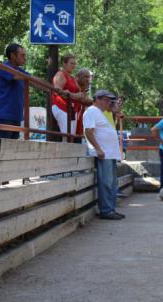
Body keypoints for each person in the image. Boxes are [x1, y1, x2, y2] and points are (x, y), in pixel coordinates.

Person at [83, 90, 124, 220]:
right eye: (106, 100)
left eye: (109, 101)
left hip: (109, 153)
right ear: (97, 99)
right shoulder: (91, 111)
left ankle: (110, 209)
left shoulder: (100, 113)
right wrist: (98, 149)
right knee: (106, 182)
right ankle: (106, 211)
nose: (108, 103)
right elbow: (88, 131)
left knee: (111, 183)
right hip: (103, 153)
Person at [0, 44, 30, 139]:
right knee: (1, 151)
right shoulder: (3, 67)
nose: (25, 58)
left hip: (15, 117)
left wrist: (53, 88)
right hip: (4, 117)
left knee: (11, 151)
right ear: (13, 56)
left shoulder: (20, 71)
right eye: (22, 55)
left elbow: (33, 79)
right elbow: (19, 76)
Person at [52, 54, 88, 137]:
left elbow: (81, 95)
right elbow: (58, 91)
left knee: (71, 136)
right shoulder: (60, 75)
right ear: (64, 64)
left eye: (75, 64)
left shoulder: (72, 77)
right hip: (62, 107)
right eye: (71, 63)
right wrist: (76, 95)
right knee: (67, 136)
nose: (74, 66)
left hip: (71, 110)